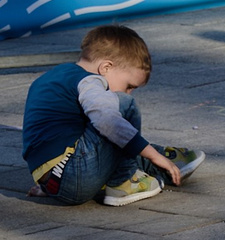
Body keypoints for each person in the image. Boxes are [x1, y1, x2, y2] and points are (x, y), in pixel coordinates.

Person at [22, 25, 203, 207]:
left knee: (110, 131)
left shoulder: (54, 76)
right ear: (106, 67)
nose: (130, 92)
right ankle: (124, 181)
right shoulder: (90, 81)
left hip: (52, 182)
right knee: (121, 105)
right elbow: (108, 123)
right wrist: (153, 155)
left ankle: (162, 166)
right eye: (129, 85)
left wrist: (51, 186)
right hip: (74, 174)